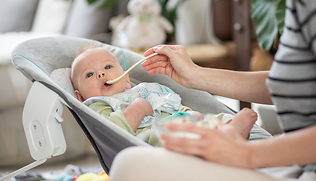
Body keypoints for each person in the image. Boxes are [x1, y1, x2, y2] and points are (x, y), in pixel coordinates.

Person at [108, 0, 316, 181]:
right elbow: (309, 86)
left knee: (128, 169)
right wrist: (195, 76)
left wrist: (246, 155)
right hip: (314, 163)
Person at [71, 46, 257, 146]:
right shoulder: (98, 105)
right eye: (89, 74)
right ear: (80, 97)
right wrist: (139, 107)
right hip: (149, 141)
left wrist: (189, 114)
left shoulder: (146, 90)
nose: (101, 74)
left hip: (183, 123)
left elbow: (172, 106)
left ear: (127, 79)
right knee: (157, 138)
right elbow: (113, 130)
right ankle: (217, 139)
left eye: (108, 67)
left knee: (213, 118)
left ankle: (229, 128)